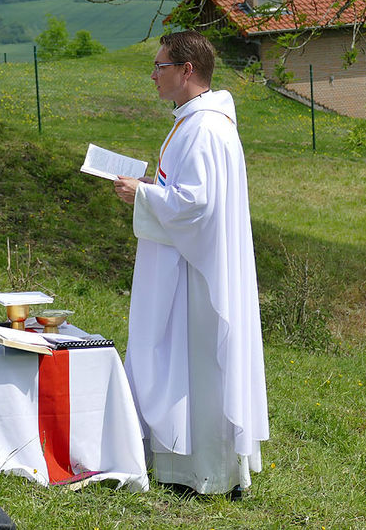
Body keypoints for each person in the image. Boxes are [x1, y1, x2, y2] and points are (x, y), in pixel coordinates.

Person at [112, 30, 269, 496]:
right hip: (188, 261)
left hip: (196, 275)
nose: (154, 76)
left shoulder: (204, 126)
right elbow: (187, 192)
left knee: (194, 363)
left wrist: (142, 194)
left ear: (186, 70)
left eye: (160, 67)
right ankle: (190, 465)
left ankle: (200, 469)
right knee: (187, 361)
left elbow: (196, 206)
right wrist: (148, 186)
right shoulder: (197, 120)